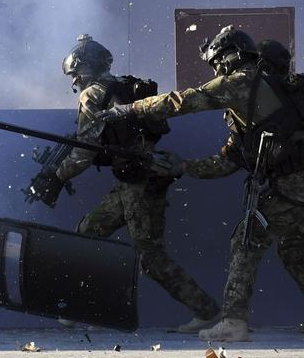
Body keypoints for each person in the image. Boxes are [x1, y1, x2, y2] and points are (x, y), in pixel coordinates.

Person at [96, 27, 304, 341]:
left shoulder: (242, 82)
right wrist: (183, 166)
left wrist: (127, 110)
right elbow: (227, 162)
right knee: (293, 249)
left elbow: (183, 101)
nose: (216, 71)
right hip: (293, 187)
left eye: (218, 63)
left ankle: (233, 321)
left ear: (231, 57)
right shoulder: (260, 101)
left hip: (293, 185)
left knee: (247, 239)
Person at [28, 34, 221, 333]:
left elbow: (84, 152)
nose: (75, 81)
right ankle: (83, 308)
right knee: (89, 232)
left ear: (87, 69)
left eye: (76, 74)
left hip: (140, 181)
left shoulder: (93, 95)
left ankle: (206, 311)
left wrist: (57, 175)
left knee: (150, 257)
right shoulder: (124, 87)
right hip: (136, 177)